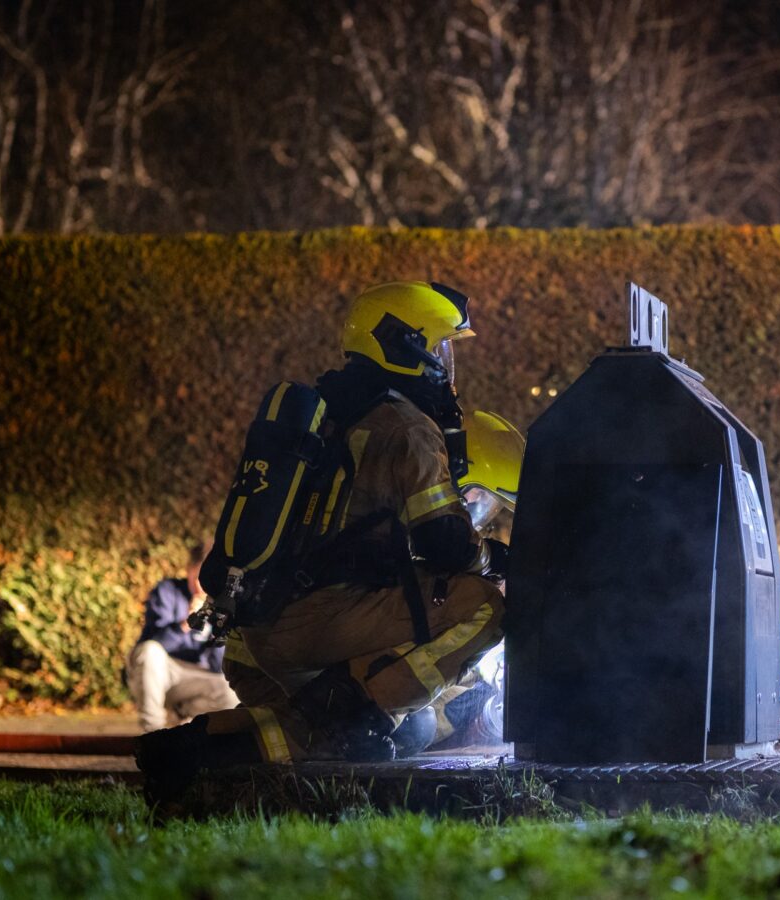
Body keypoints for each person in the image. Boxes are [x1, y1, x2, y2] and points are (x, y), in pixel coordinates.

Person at [136, 281, 508, 799]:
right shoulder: (406, 425)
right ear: (407, 345)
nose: (444, 364)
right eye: (439, 346)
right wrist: (497, 556)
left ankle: (187, 751)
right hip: (325, 620)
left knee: (312, 730)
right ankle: (350, 720)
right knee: (485, 605)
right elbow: (447, 544)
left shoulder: (320, 414)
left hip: (255, 635)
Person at [126, 541, 239, 732]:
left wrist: (216, 625)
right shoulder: (167, 591)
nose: (199, 586)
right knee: (150, 652)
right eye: (196, 577)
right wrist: (187, 622)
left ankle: (183, 714)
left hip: (193, 678)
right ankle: (153, 732)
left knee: (231, 693)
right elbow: (154, 644)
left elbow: (217, 668)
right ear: (188, 570)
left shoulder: (223, 604)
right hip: (156, 672)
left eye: (206, 580)